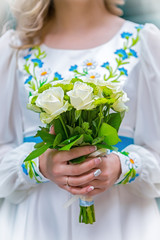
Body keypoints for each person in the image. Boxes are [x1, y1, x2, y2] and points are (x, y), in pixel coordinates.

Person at [0, 0, 160, 239]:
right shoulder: (14, 50)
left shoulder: (144, 43)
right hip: (38, 221)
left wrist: (120, 166)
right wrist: (40, 165)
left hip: (122, 220)